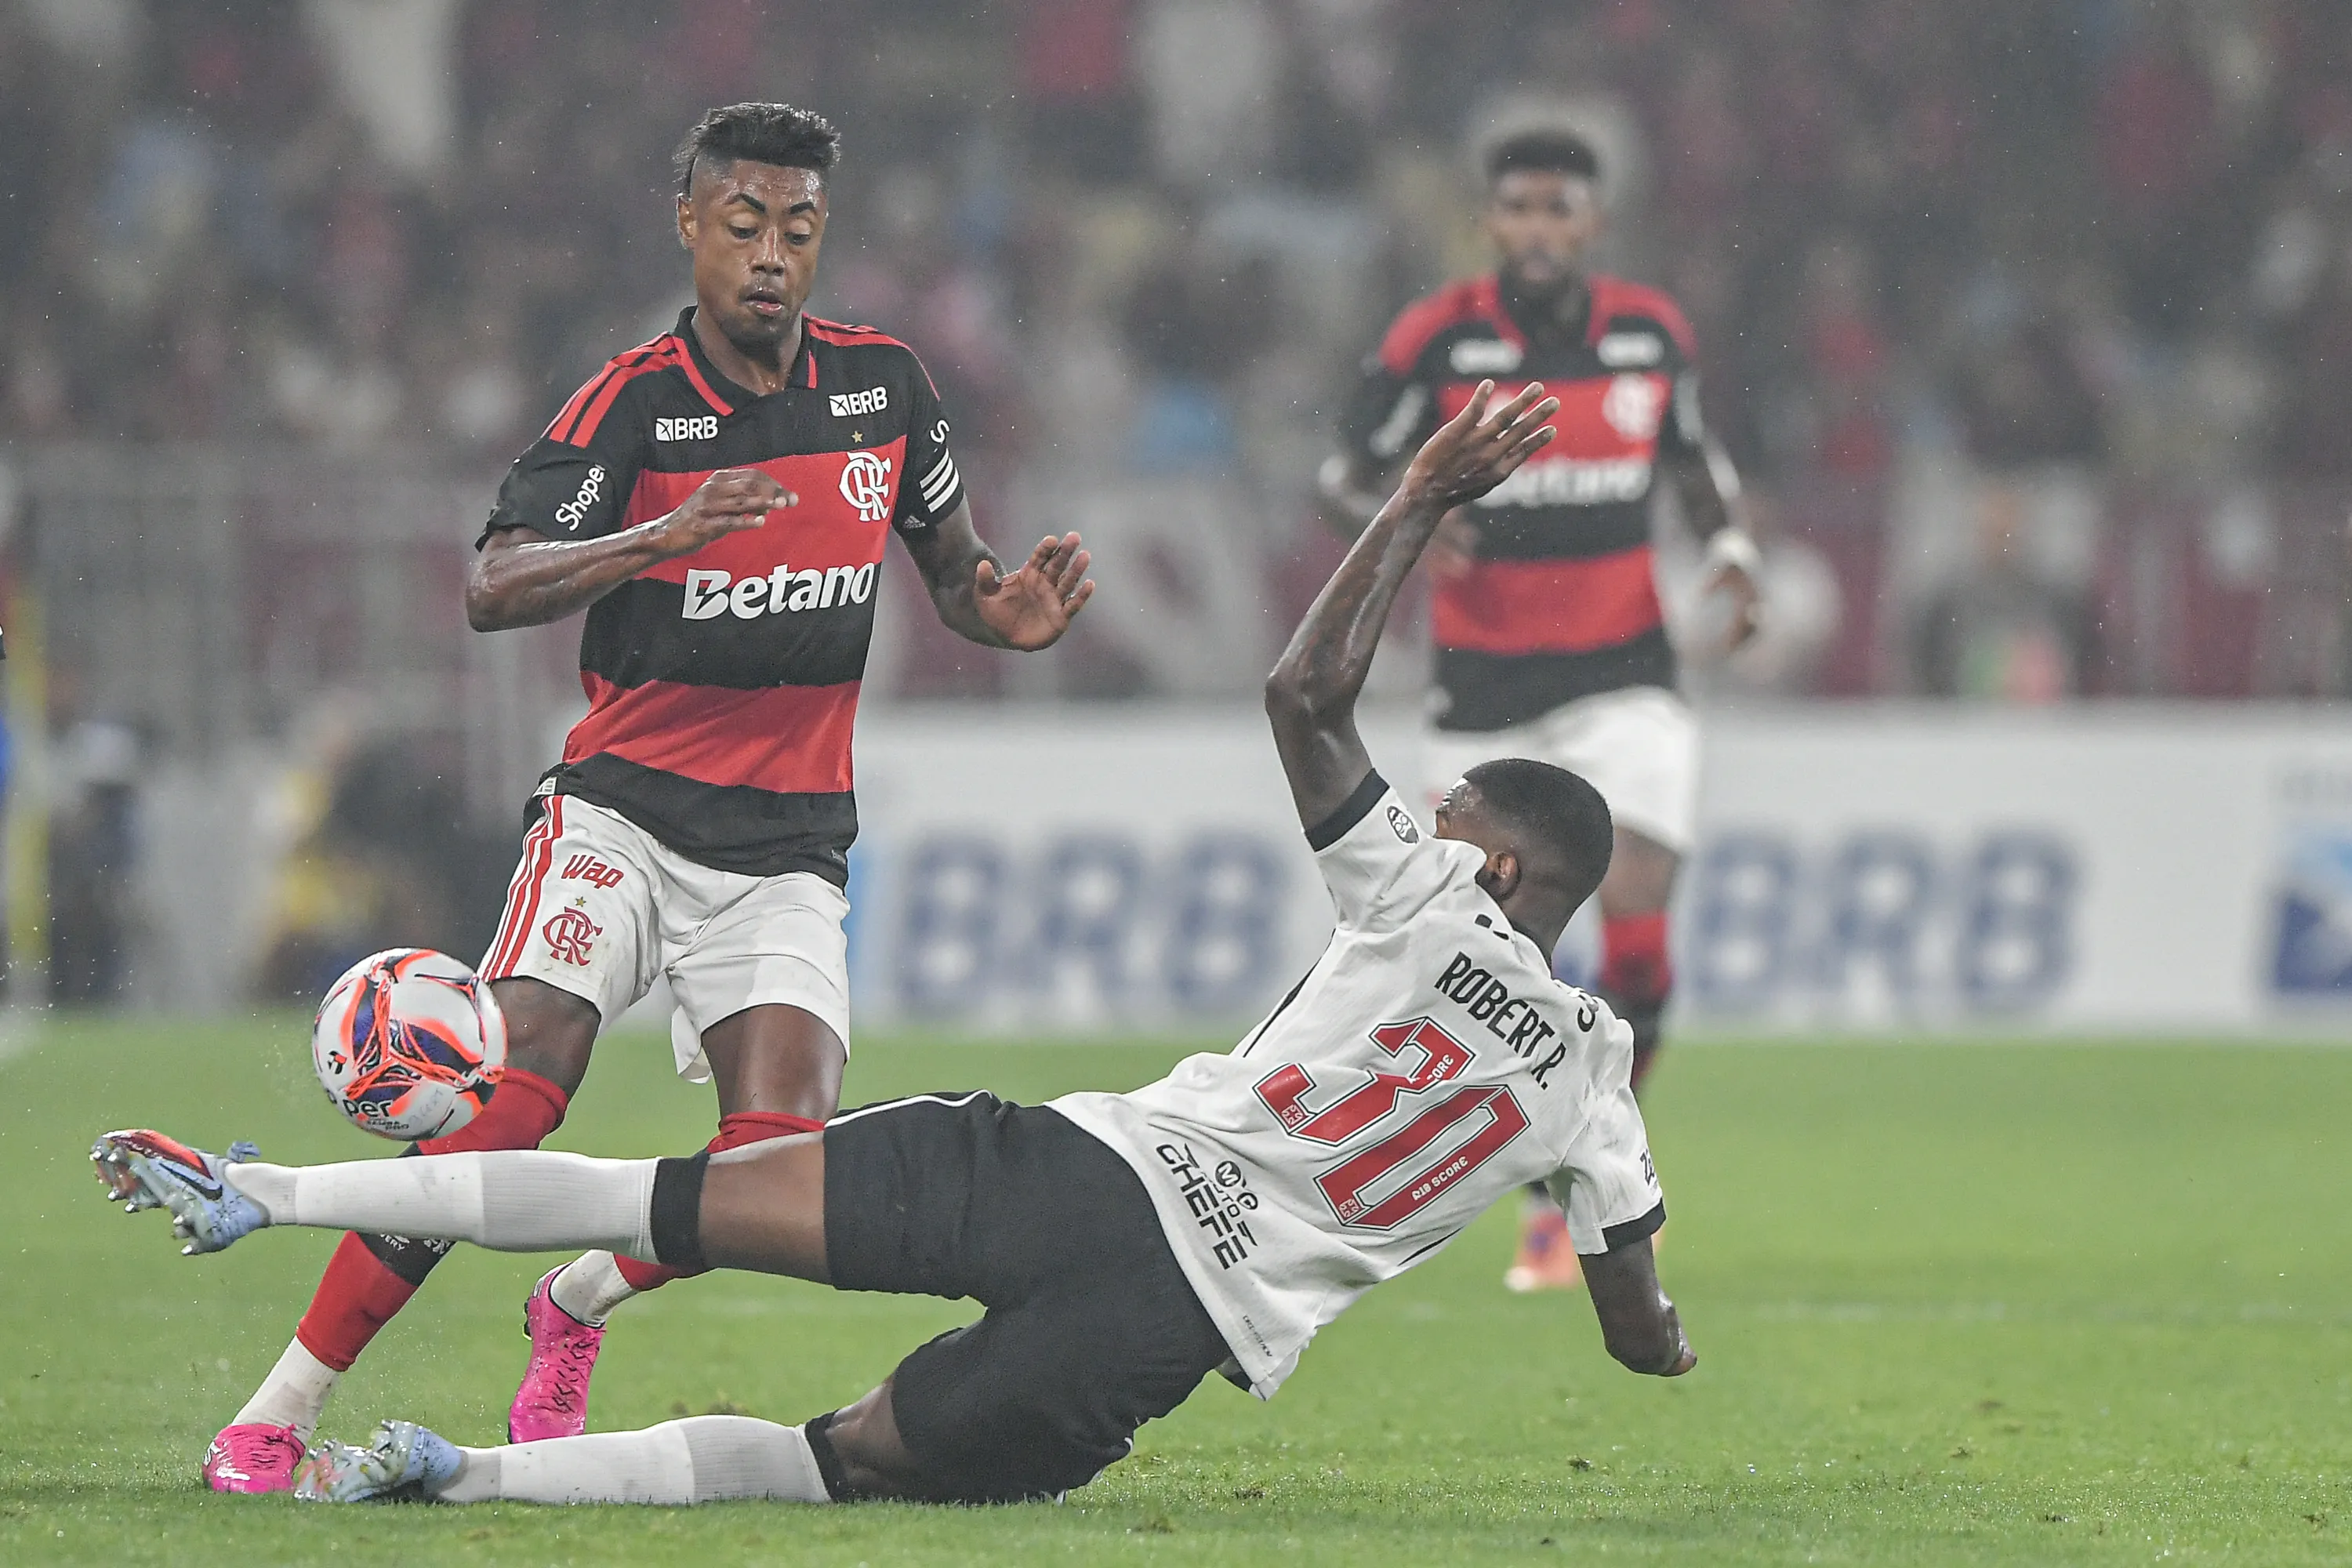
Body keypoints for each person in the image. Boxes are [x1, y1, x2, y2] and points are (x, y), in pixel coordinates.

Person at [95, 379, 1694, 1509]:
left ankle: (269, 1195)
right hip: (1156, 1336)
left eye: (1449, 800)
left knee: (660, 1190)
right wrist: (1663, 1334)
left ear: (1484, 851)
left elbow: (1303, 695)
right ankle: (460, 1475)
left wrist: (1416, 495)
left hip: (1079, 1171)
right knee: (833, 1461)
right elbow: (1635, 1329)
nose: (1426, 808)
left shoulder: (1421, 892)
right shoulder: (1601, 1078)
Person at [192, 103, 1098, 1495]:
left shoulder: (887, 392)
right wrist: (658, 536)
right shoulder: (630, 402)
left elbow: (960, 574)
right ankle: (272, 1411)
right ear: (691, 226)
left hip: (790, 847)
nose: (772, 258)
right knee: (507, 1102)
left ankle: (577, 1303)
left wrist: (1004, 615)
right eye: (744, 226)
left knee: (779, 1170)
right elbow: (492, 584)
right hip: (621, 816)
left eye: (798, 229)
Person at [1318, 126, 1759, 1293]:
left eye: (1560, 208)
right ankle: (1524, 1176)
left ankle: (1597, 1171)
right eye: (1519, 208)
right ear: (1492, 221)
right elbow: (1339, 470)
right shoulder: (1439, 338)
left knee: (1644, 909)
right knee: (1479, 954)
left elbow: (1696, 456)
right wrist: (1410, 507)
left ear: (1591, 223)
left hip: (1626, 673)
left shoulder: (1650, 332)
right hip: (1488, 693)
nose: (1540, 228)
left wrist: (1730, 548)